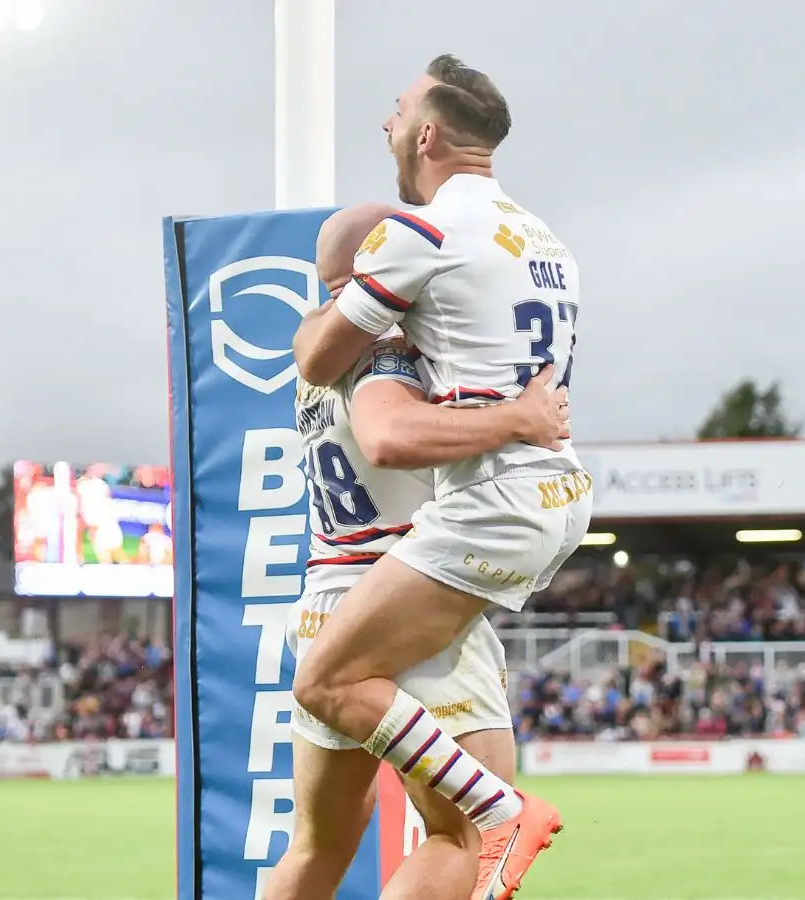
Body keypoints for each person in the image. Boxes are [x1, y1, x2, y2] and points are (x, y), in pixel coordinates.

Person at [290, 55, 588, 900]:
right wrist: (523, 418)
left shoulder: (414, 251)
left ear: (426, 134)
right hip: (507, 507)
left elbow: (324, 362)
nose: (384, 124)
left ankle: (501, 814)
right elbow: (391, 431)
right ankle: (503, 813)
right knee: (452, 836)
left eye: (394, 111)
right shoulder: (547, 241)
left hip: (372, 561)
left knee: (326, 834)